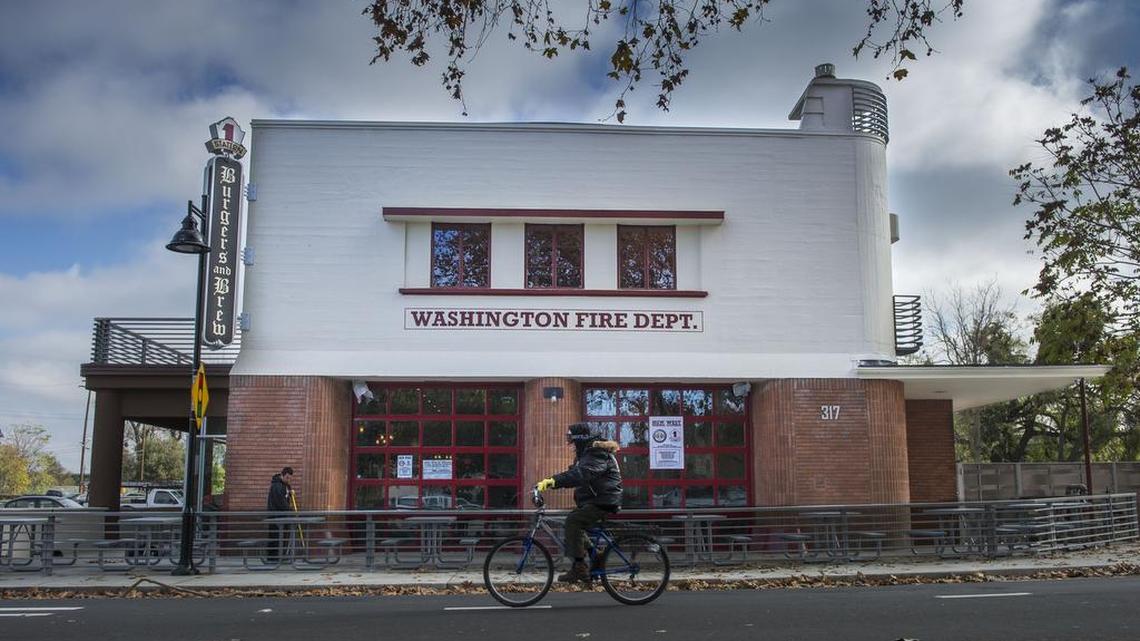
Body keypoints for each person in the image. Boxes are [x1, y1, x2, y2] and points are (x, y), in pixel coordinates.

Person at [536, 423, 622, 583]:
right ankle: (595, 555)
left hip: (604, 500)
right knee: (575, 525)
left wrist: (552, 482)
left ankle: (579, 567)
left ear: (579, 438)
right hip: (596, 499)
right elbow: (571, 473)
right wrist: (549, 481)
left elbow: (580, 475)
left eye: (571, 438)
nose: (570, 443)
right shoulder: (586, 455)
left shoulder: (596, 453)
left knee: (573, 521)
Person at [266, 467, 294, 561]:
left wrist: (290, 492)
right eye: (287, 477)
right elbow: (280, 502)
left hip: (282, 517)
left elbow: (285, 495)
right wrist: (290, 510)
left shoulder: (284, 485)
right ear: (282, 475)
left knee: (281, 536)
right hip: (276, 517)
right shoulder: (276, 486)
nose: (288, 480)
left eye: (290, 478)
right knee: (276, 537)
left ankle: (279, 556)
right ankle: (274, 557)